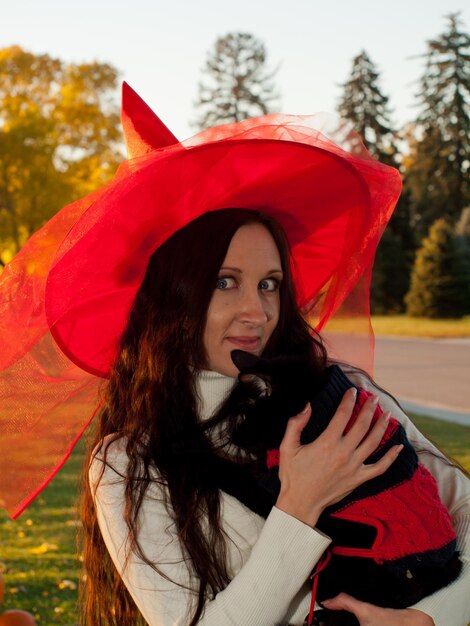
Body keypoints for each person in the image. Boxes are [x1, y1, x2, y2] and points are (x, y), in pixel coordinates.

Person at [0, 84, 468, 625]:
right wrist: (298, 507)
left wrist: (432, 619)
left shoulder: (339, 392)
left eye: (269, 284)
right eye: (225, 282)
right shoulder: (127, 463)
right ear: (171, 297)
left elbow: (464, 507)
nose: (257, 311)